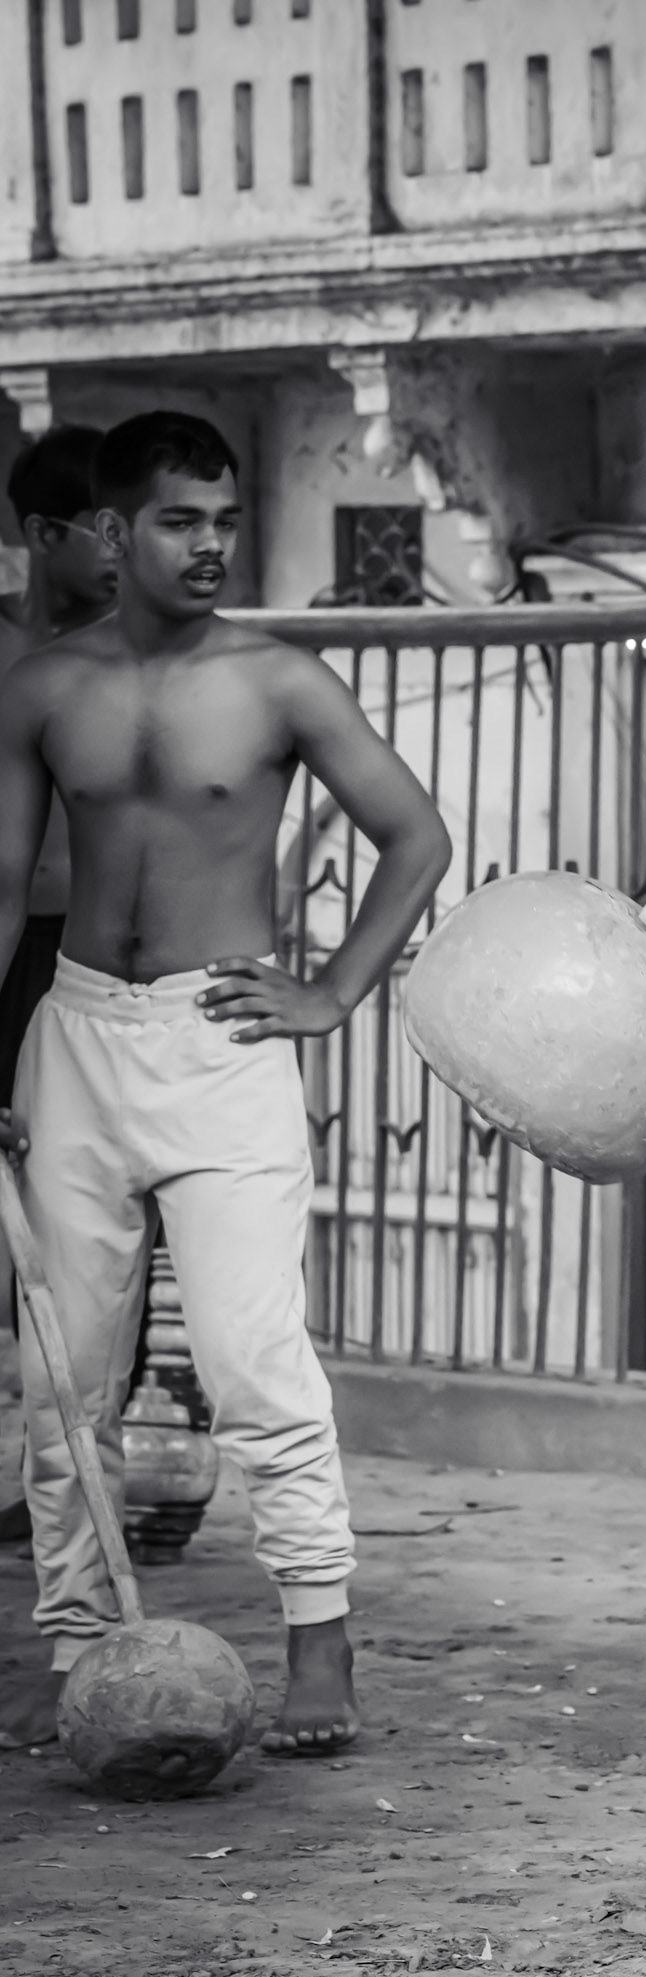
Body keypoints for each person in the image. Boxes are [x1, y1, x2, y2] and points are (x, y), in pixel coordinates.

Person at [0, 411, 451, 1754]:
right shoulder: (43, 687)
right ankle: (81, 1641)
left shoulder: (278, 681)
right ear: (112, 530)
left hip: (223, 1040)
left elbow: (415, 837)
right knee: (65, 1376)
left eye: (224, 519)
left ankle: (320, 1640)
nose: (209, 545)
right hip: (78, 1033)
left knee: (255, 1359)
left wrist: (333, 990)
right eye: (177, 521)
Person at [0, 426, 116, 1543]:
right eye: (105, 526)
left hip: (101, 968)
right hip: (10, 953)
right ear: (44, 535)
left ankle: (74, 1484)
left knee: (90, 1228)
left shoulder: (146, 654)